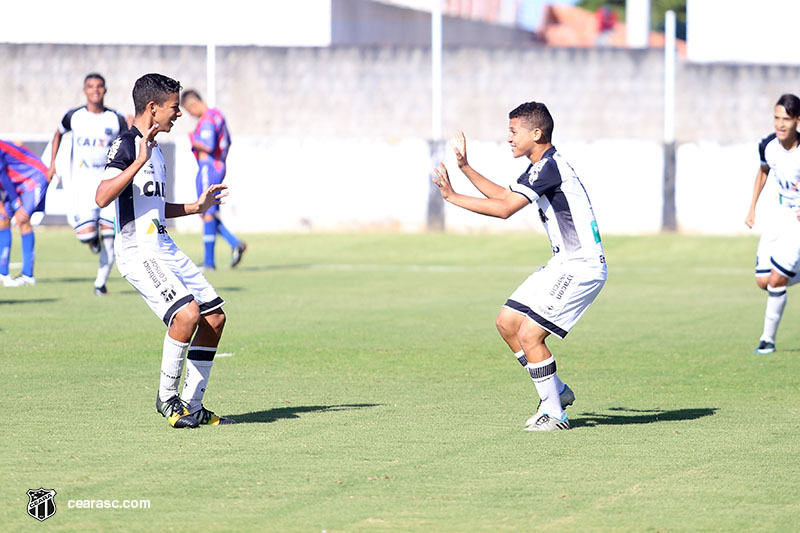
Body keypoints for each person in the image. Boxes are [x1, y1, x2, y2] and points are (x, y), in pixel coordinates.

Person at [432, 102, 607, 431]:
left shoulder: (550, 167)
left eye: (514, 132)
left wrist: (453, 197)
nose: (508, 138)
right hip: (564, 263)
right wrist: (466, 168)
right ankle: (555, 390)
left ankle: (555, 414)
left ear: (536, 133)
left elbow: (503, 210)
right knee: (508, 322)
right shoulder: (540, 167)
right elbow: (503, 195)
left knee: (530, 334)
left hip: (581, 266)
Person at [96, 73, 234, 428]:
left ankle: (193, 404)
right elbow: (102, 196)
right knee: (186, 315)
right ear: (153, 107)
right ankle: (168, 399)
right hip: (138, 250)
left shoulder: (156, 148)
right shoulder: (127, 145)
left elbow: (154, 205)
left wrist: (195, 207)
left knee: (214, 317)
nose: (179, 114)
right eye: (174, 107)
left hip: (164, 245)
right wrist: (138, 161)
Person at [47, 73, 129, 295]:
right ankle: (93, 241)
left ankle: (100, 284)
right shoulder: (74, 116)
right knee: (86, 235)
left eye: (100, 86)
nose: (96, 90)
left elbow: (127, 142)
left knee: (111, 243)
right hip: (82, 188)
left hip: (108, 185)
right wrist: (52, 164)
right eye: (91, 86)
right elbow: (57, 134)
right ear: (84, 90)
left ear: (105, 90)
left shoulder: (115, 118)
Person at [745, 94, 800, 354]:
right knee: (763, 280)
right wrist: (752, 207)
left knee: (777, 281)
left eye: (786, 119)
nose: (780, 124)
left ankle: (767, 341)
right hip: (778, 215)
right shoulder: (767, 144)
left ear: (798, 121)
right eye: (777, 118)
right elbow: (763, 170)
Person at [180, 89, 246, 270]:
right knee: (207, 211)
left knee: (206, 211)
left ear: (193, 104)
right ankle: (234, 243)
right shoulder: (218, 116)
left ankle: (209, 262)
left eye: (189, 111)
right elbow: (228, 141)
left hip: (208, 167)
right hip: (216, 165)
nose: (191, 115)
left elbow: (208, 145)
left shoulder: (207, 119)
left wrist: (194, 139)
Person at [0, 140, 50, 286]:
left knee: (22, 219)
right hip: (16, 182)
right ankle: (3, 273)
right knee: (2, 218)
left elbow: (2, 175)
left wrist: (16, 203)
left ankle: (28, 275)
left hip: (33, 176)